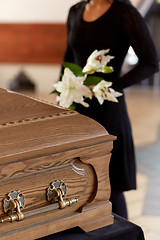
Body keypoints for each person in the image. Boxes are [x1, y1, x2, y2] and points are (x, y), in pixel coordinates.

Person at [60, 0, 159, 219]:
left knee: (111, 188)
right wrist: (61, 97)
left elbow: (151, 62)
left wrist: (111, 87)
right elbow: (69, 59)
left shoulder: (124, 12)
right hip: (78, 112)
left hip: (109, 114)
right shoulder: (75, 11)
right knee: (79, 184)